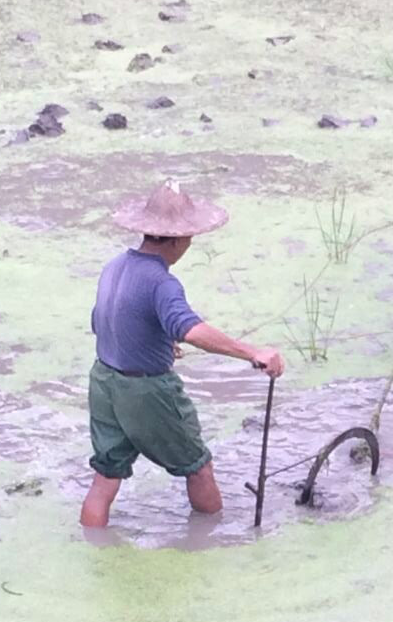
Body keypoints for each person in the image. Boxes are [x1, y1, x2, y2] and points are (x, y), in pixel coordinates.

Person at [80, 180, 283, 528]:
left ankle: (93, 545)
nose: (190, 243)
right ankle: (213, 540)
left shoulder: (114, 266)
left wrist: (153, 341)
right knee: (198, 467)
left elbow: (102, 321)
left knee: (105, 477)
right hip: (147, 393)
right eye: (189, 236)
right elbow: (189, 328)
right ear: (176, 239)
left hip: (104, 383)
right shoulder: (162, 282)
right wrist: (252, 352)